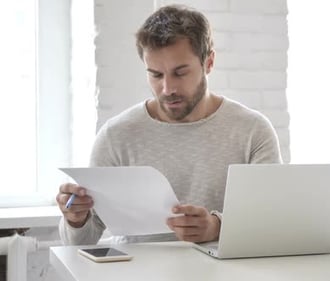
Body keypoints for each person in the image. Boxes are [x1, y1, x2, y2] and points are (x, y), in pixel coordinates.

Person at [55, 4, 282, 245]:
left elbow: (274, 221)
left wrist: (218, 227)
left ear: (209, 62)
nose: (167, 89)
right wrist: (75, 219)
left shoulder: (253, 131)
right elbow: (81, 242)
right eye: (156, 74)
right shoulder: (116, 136)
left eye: (180, 72)